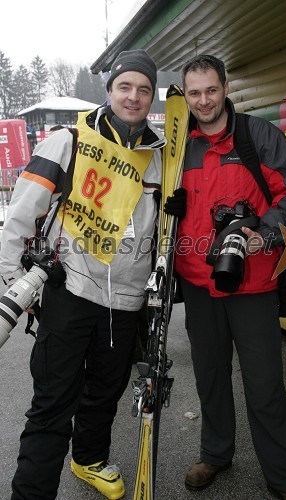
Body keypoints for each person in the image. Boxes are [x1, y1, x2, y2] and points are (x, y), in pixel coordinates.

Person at [0, 49, 175, 500]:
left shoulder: (160, 157)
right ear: (109, 89)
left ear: (150, 95)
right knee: (53, 402)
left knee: (103, 393)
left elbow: (161, 234)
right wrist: (16, 287)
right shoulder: (68, 140)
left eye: (143, 89)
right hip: (70, 290)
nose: (133, 97)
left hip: (127, 302)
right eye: (125, 87)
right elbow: (19, 218)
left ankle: (88, 459)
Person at [174, 54, 286, 500]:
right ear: (185, 95)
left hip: (253, 284)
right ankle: (216, 453)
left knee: (264, 385)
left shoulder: (259, 136)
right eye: (193, 93)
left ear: (226, 87)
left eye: (210, 90)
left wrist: (264, 234)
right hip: (197, 285)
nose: (203, 101)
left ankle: (284, 478)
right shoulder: (177, 147)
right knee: (209, 377)